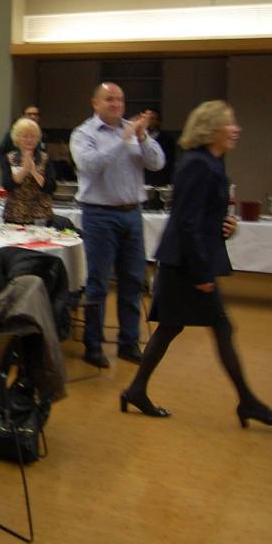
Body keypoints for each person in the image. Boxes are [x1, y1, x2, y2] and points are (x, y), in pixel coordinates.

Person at [120, 101, 272, 428]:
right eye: (230, 124)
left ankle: (135, 389)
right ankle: (248, 403)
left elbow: (199, 219)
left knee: (171, 327)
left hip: (184, 261)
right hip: (186, 265)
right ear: (212, 129)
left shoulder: (207, 163)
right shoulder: (199, 165)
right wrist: (202, 274)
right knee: (219, 327)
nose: (236, 129)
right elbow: (186, 224)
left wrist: (225, 227)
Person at [70, 83, 165, 368]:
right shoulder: (83, 134)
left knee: (133, 280)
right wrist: (122, 139)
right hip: (99, 215)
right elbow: (89, 166)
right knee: (98, 282)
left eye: (120, 100)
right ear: (95, 103)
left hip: (132, 214)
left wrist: (142, 136)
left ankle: (128, 343)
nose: (116, 104)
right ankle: (93, 345)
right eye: (109, 99)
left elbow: (158, 163)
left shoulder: (134, 131)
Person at [0, 117, 56, 224]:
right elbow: (7, 185)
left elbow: (51, 187)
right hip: (14, 215)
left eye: (33, 136)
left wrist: (34, 172)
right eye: (25, 136)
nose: (29, 140)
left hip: (40, 216)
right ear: (17, 138)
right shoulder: (9, 158)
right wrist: (24, 171)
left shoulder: (45, 158)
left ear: (37, 139)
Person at [143, 109, 176, 186]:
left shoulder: (167, 139)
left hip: (160, 180)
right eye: (147, 119)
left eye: (152, 119)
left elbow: (169, 162)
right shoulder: (135, 138)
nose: (149, 122)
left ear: (159, 121)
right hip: (141, 180)